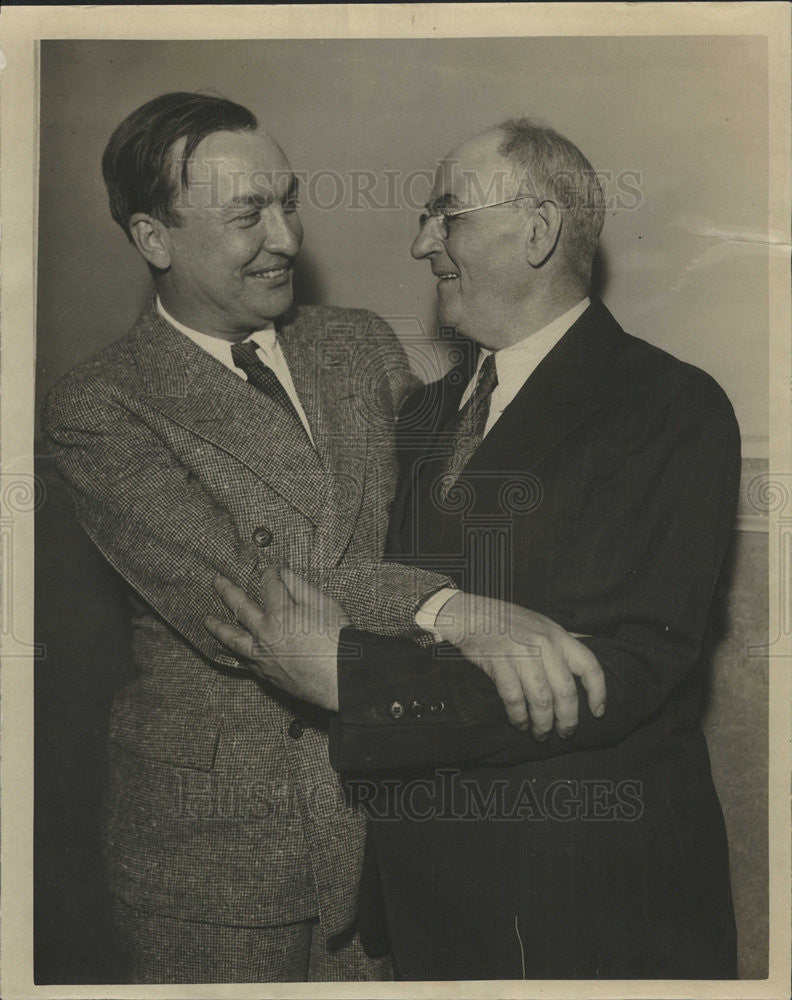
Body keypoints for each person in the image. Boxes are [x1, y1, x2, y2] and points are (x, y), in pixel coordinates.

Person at [206, 119, 741, 980]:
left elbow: (623, 668)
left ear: (537, 229)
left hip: (587, 903)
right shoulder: (421, 416)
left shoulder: (671, 406)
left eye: (445, 215)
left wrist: (350, 678)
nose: (421, 244)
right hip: (429, 905)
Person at [41, 91, 462, 984]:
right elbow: (258, 601)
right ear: (154, 239)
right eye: (247, 216)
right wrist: (451, 608)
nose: (288, 238)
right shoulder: (100, 405)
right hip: (217, 858)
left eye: (289, 201)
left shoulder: (359, 344)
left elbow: (439, 525)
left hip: (384, 820)